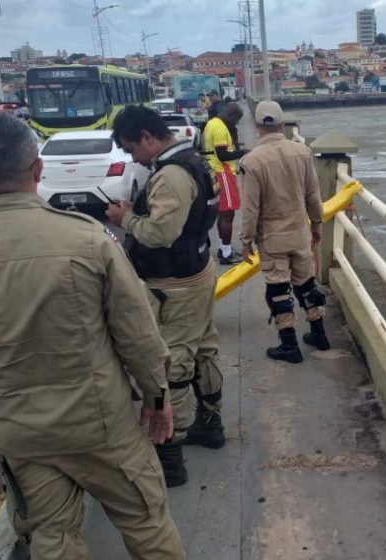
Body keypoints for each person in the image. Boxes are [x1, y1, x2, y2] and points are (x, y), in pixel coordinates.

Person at [0, 112, 185, 560]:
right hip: (102, 424)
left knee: (52, 537)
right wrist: (156, 399)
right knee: (147, 525)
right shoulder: (89, 240)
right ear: (37, 169)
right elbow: (139, 336)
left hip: (20, 433)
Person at [106, 106, 227, 484]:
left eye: (130, 149)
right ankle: (211, 425)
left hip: (175, 285)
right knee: (204, 348)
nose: (132, 158)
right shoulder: (193, 161)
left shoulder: (170, 175)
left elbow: (160, 234)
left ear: (147, 136)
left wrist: (123, 218)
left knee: (173, 364)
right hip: (198, 271)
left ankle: (170, 456)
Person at [239, 100, 330, 363]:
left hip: (272, 238)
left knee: (278, 290)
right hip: (300, 232)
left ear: (257, 127)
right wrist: (316, 224)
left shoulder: (251, 161)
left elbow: (250, 209)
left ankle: (289, 346)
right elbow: (314, 194)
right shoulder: (302, 152)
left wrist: (246, 242)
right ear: (282, 124)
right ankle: (319, 334)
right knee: (306, 284)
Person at [203, 102, 247, 265]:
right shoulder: (220, 128)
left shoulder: (212, 123)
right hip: (223, 172)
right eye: (236, 121)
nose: (235, 124)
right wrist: (243, 152)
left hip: (216, 172)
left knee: (223, 214)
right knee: (228, 214)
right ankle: (227, 254)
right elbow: (222, 155)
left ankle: (224, 248)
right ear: (232, 116)